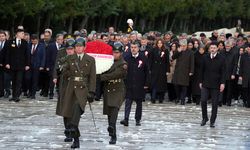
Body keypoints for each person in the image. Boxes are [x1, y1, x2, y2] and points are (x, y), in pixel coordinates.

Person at [62, 37, 96, 148]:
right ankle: (76, 140)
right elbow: (66, 72)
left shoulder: (90, 59)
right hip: (71, 88)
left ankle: (72, 126)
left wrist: (92, 91)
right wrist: (61, 69)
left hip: (83, 89)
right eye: (76, 46)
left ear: (84, 47)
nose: (78, 48)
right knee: (71, 114)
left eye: (80, 46)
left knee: (77, 107)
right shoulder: (70, 58)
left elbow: (92, 77)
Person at [100, 42, 127, 144]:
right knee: (109, 113)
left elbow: (115, 75)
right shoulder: (108, 62)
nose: (115, 54)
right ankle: (113, 135)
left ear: (121, 53)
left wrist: (101, 78)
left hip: (118, 89)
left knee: (114, 109)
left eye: (117, 52)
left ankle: (111, 127)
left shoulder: (123, 64)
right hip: (108, 89)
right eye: (113, 52)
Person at [120, 42, 149, 127]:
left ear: (138, 48)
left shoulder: (143, 57)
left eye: (135, 47)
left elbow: (147, 71)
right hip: (129, 84)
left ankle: (137, 119)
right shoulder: (127, 57)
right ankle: (126, 119)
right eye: (131, 47)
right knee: (128, 102)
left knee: (139, 103)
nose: (133, 49)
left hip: (140, 84)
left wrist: (146, 83)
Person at [53, 38, 75, 143]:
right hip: (64, 85)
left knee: (73, 110)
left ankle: (72, 130)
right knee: (65, 109)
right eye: (68, 49)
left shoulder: (78, 57)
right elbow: (57, 66)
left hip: (75, 86)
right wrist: (55, 76)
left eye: (71, 49)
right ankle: (67, 130)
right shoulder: (62, 56)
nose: (69, 50)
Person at [199, 42, 225, 128]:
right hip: (205, 83)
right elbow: (201, 70)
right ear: (209, 49)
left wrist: (222, 83)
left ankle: (212, 121)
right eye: (211, 47)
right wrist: (200, 81)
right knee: (203, 100)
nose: (213, 49)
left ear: (217, 48)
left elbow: (223, 72)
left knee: (214, 103)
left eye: (214, 47)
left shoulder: (221, 58)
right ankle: (204, 118)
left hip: (216, 84)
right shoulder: (205, 57)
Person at [5, 28, 30, 102]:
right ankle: (13, 96)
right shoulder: (10, 42)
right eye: (22, 33)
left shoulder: (25, 42)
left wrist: (27, 64)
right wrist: (7, 63)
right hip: (12, 65)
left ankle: (17, 96)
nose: (23, 35)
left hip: (21, 66)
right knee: (13, 81)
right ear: (17, 34)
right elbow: (7, 53)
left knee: (19, 81)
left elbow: (27, 54)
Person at [172, 39, 194, 105]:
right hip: (178, 71)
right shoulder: (178, 51)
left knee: (184, 86)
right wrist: (178, 52)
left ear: (187, 45)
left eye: (184, 45)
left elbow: (192, 63)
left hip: (186, 71)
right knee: (176, 85)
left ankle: (182, 99)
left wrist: (191, 71)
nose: (183, 47)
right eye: (181, 45)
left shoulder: (191, 52)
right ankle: (178, 97)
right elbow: (173, 57)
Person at [149, 39, 170, 103]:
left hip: (162, 69)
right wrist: (150, 69)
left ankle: (161, 98)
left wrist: (167, 70)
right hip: (155, 69)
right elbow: (150, 60)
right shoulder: (153, 50)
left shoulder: (165, 50)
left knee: (162, 85)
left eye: (161, 43)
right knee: (154, 84)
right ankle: (153, 98)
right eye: (158, 43)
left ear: (162, 44)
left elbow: (167, 61)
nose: (159, 44)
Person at [25, 34, 46, 99]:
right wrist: (26, 64)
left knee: (35, 80)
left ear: (37, 40)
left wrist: (42, 65)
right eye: (32, 41)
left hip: (37, 65)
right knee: (28, 78)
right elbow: (26, 55)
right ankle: (29, 91)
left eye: (35, 41)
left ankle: (33, 94)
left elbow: (43, 56)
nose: (33, 42)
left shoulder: (42, 46)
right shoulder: (28, 45)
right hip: (29, 65)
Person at [44, 34, 64, 99]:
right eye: (59, 39)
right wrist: (47, 66)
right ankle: (51, 93)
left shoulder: (63, 47)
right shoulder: (51, 46)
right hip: (52, 65)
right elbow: (47, 56)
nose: (61, 41)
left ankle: (59, 93)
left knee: (60, 80)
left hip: (61, 66)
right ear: (56, 39)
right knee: (52, 80)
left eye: (62, 39)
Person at [220, 41, 237, 106]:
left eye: (228, 46)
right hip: (222, 73)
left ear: (231, 46)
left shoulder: (234, 53)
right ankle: (222, 101)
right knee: (222, 88)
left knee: (229, 89)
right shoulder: (221, 52)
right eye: (226, 46)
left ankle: (228, 101)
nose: (227, 47)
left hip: (230, 74)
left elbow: (235, 64)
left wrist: (233, 74)